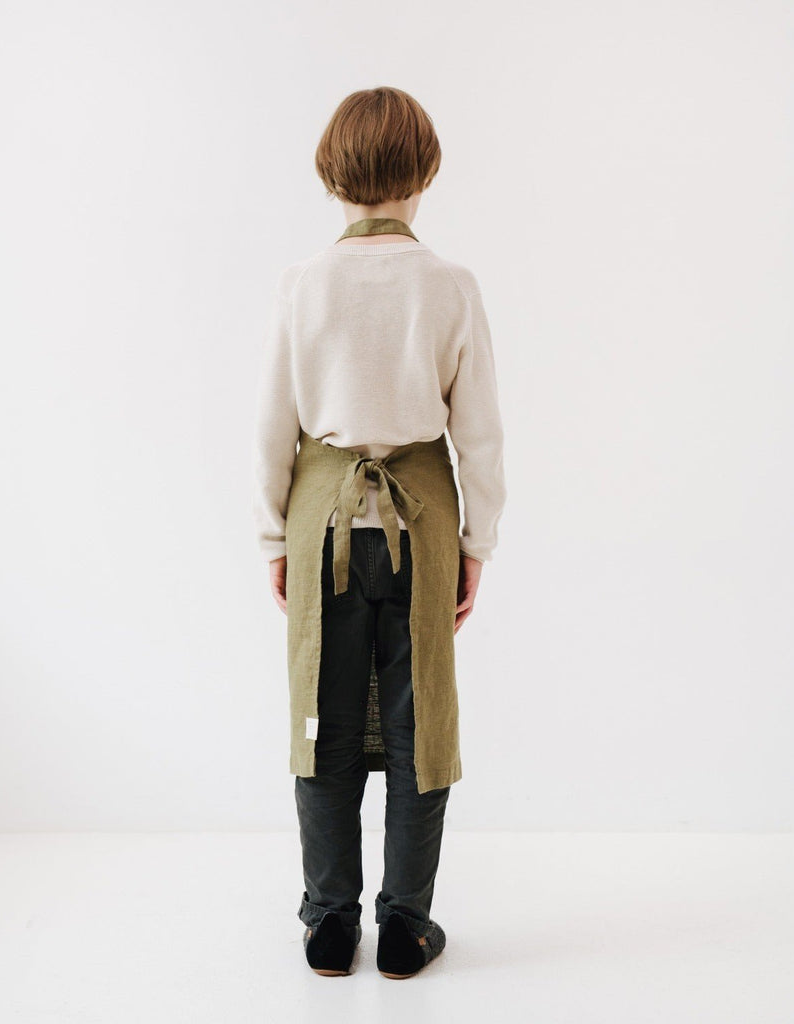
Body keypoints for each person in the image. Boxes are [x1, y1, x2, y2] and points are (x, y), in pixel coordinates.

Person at [251, 85, 506, 979]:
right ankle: (405, 926)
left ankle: (328, 923)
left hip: (322, 529)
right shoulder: (450, 285)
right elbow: (479, 434)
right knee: (417, 725)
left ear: (333, 174)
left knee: (321, 720)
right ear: (424, 170)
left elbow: (273, 426)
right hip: (422, 531)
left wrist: (274, 540)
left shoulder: (303, 284)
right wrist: (477, 543)